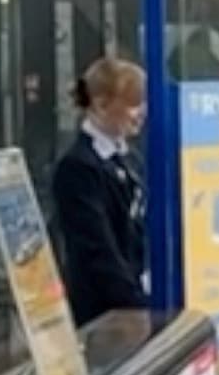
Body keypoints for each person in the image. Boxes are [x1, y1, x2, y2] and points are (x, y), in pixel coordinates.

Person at [52, 57, 149, 326]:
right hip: (107, 314)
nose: (140, 112)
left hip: (135, 301)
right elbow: (97, 250)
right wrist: (135, 301)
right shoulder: (78, 167)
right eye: (132, 103)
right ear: (102, 104)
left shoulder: (130, 159)